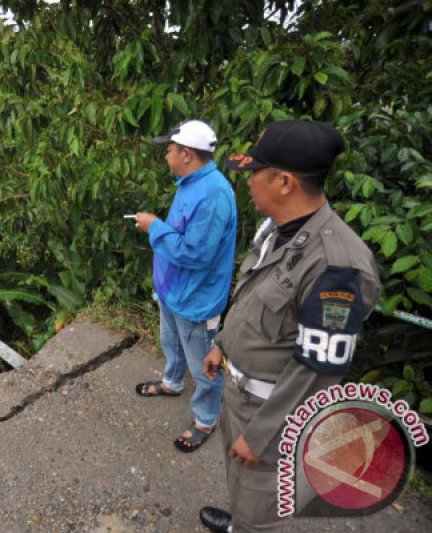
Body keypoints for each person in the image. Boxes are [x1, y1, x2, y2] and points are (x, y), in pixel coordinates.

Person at [198, 120, 381, 533]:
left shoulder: (335, 263)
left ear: (283, 182)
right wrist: (223, 346)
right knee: (242, 485)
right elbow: (252, 298)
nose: (247, 182)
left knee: (262, 508)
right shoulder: (278, 231)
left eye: (254, 173)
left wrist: (264, 435)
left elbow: (320, 369)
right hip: (241, 397)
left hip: (273, 417)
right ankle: (239, 520)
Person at [133, 120, 237, 453]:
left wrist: (154, 227)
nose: (166, 156)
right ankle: (172, 383)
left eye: (170, 150)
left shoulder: (213, 196)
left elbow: (196, 253)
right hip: (173, 291)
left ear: (187, 155)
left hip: (195, 298)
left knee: (202, 364)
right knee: (171, 343)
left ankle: (206, 419)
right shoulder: (189, 182)